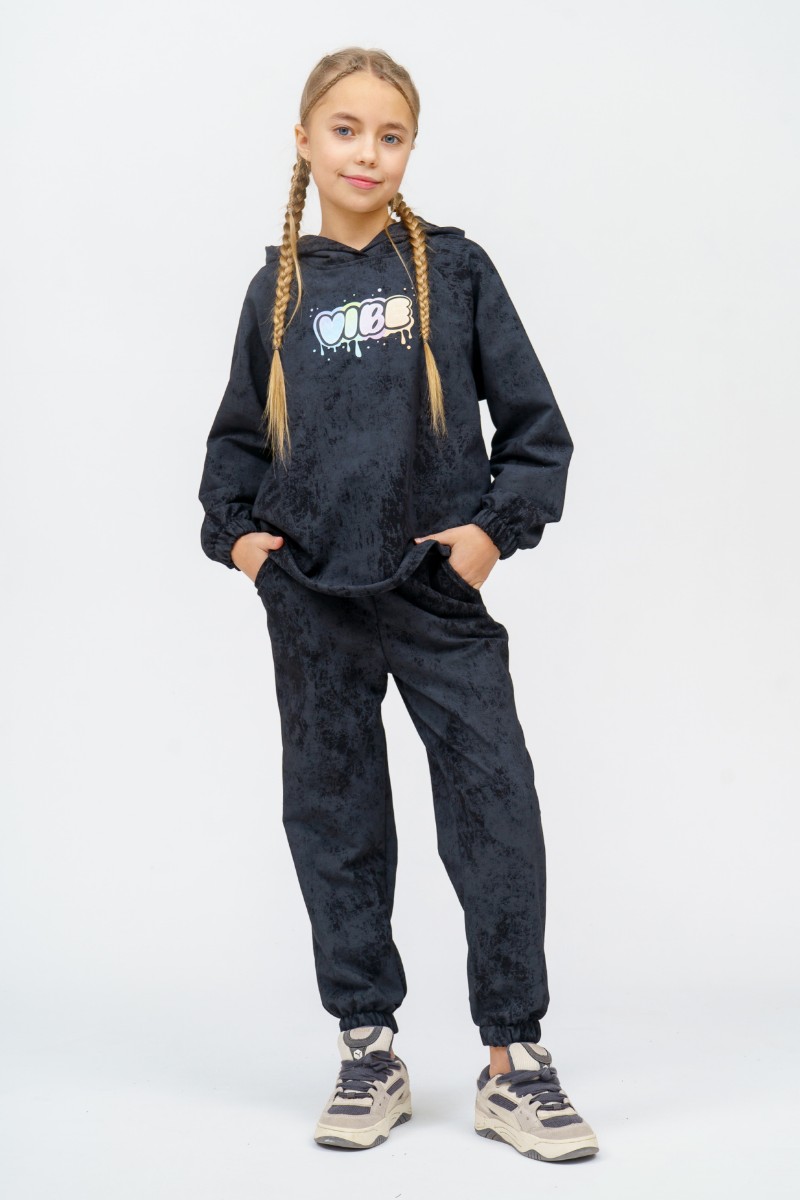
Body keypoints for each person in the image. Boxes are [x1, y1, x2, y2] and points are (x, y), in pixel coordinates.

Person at [198, 46, 599, 1163]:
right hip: (314, 599)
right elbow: (234, 445)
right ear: (304, 141)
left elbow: (535, 431)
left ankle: (513, 1063)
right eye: (345, 130)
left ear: (410, 148)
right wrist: (245, 547)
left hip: (432, 592)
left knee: (495, 806)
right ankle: (366, 1045)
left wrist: (488, 537)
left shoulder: (454, 271)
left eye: (389, 135)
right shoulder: (278, 291)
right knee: (334, 817)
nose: (366, 153)